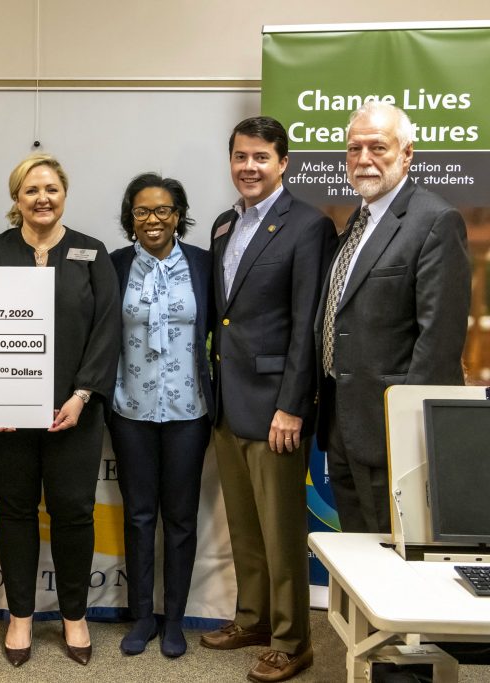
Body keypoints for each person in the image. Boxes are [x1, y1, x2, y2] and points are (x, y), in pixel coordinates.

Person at [201, 116, 335, 682]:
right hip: (229, 403)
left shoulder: (307, 226)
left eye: (260, 157)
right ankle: (252, 618)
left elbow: (308, 322)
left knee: (282, 533)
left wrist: (293, 405)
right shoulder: (224, 224)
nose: (248, 167)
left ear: (283, 162)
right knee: (245, 526)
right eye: (239, 157)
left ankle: (292, 640)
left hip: (277, 405)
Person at [0, 153, 120, 667]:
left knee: (74, 513)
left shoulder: (91, 252)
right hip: (5, 416)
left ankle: (75, 616)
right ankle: (20, 616)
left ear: (64, 194)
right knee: (14, 511)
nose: (42, 198)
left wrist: (82, 396)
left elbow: (108, 330)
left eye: (51, 189)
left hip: (74, 413)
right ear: (16, 198)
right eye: (31, 190)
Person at [316, 101, 470, 534]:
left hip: (392, 437)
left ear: (407, 154)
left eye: (377, 147)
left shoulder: (435, 221)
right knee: (359, 562)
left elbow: (438, 345)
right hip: (343, 428)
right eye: (353, 148)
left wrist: (404, 433)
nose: (363, 159)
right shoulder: (357, 222)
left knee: (396, 569)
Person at [107, 173, 213, 659]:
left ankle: (174, 619)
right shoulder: (114, 265)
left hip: (189, 409)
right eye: (143, 211)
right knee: (139, 514)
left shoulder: (203, 266)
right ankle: (142, 615)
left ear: (178, 215)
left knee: (181, 518)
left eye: (164, 210)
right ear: (131, 217)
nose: (154, 220)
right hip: (130, 407)